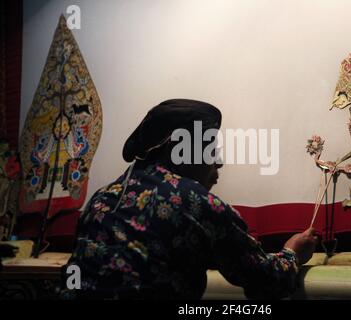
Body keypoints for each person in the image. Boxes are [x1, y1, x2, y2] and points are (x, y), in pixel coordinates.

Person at [61, 99, 317, 300]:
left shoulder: (102, 198)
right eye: (209, 149)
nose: (218, 161)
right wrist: (292, 252)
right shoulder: (195, 203)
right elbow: (267, 282)